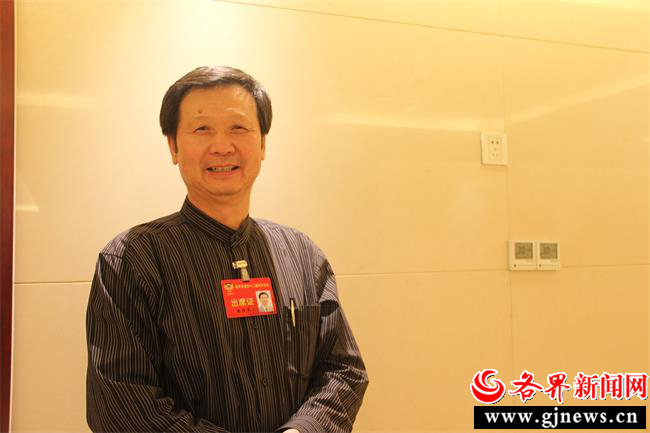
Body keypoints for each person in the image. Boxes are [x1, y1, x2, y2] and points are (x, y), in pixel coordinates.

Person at [86, 66, 369, 433]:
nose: (222, 145)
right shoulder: (131, 260)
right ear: (173, 146)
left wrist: (303, 430)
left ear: (263, 144)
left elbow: (343, 369)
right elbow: (122, 408)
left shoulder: (302, 255)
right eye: (202, 129)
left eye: (238, 127)